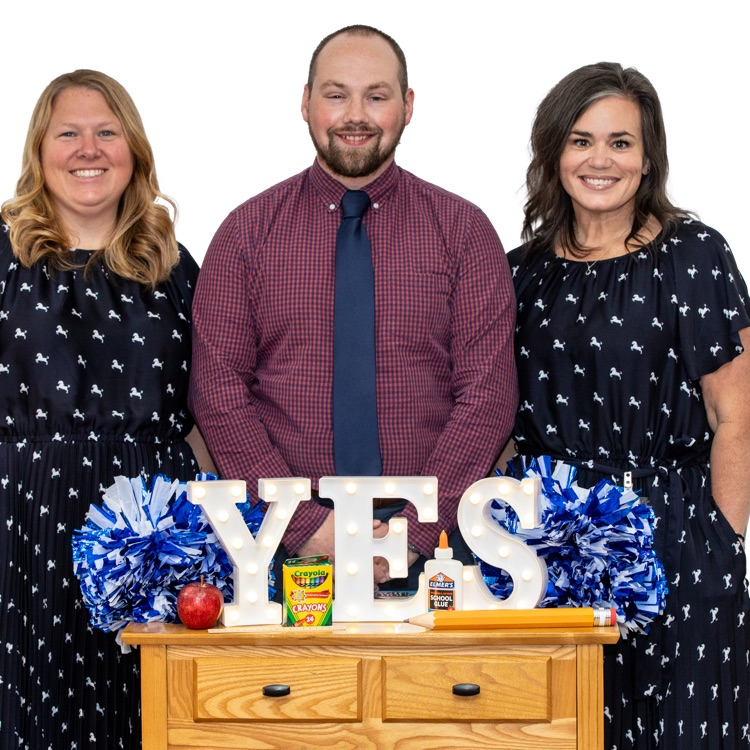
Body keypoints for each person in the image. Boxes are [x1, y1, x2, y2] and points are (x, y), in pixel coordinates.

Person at [190, 24, 517, 590]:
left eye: (377, 95)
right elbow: (218, 392)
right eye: (336, 94)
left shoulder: (463, 232)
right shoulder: (245, 234)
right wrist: (303, 526)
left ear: (408, 106)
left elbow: (488, 393)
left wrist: (412, 534)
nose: (355, 115)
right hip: (278, 549)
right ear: (306, 102)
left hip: (441, 549)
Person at [504, 61, 750, 748]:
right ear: (554, 154)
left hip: (676, 535)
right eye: (581, 140)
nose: (600, 159)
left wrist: (722, 543)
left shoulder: (694, 256)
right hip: (550, 544)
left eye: (621, 142)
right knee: (565, 731)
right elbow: (495, 419)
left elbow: (739, 416)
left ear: (648, 160)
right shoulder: (518, 274)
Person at [0, 69, 213, 749]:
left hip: (152, 521)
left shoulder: (175, 265)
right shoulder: (2, 258)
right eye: (68, 133)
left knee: (147, 706)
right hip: (23, 517)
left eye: (106, 133)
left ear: (134, 153)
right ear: (39, 151)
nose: (88, 149)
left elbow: (212, 406)